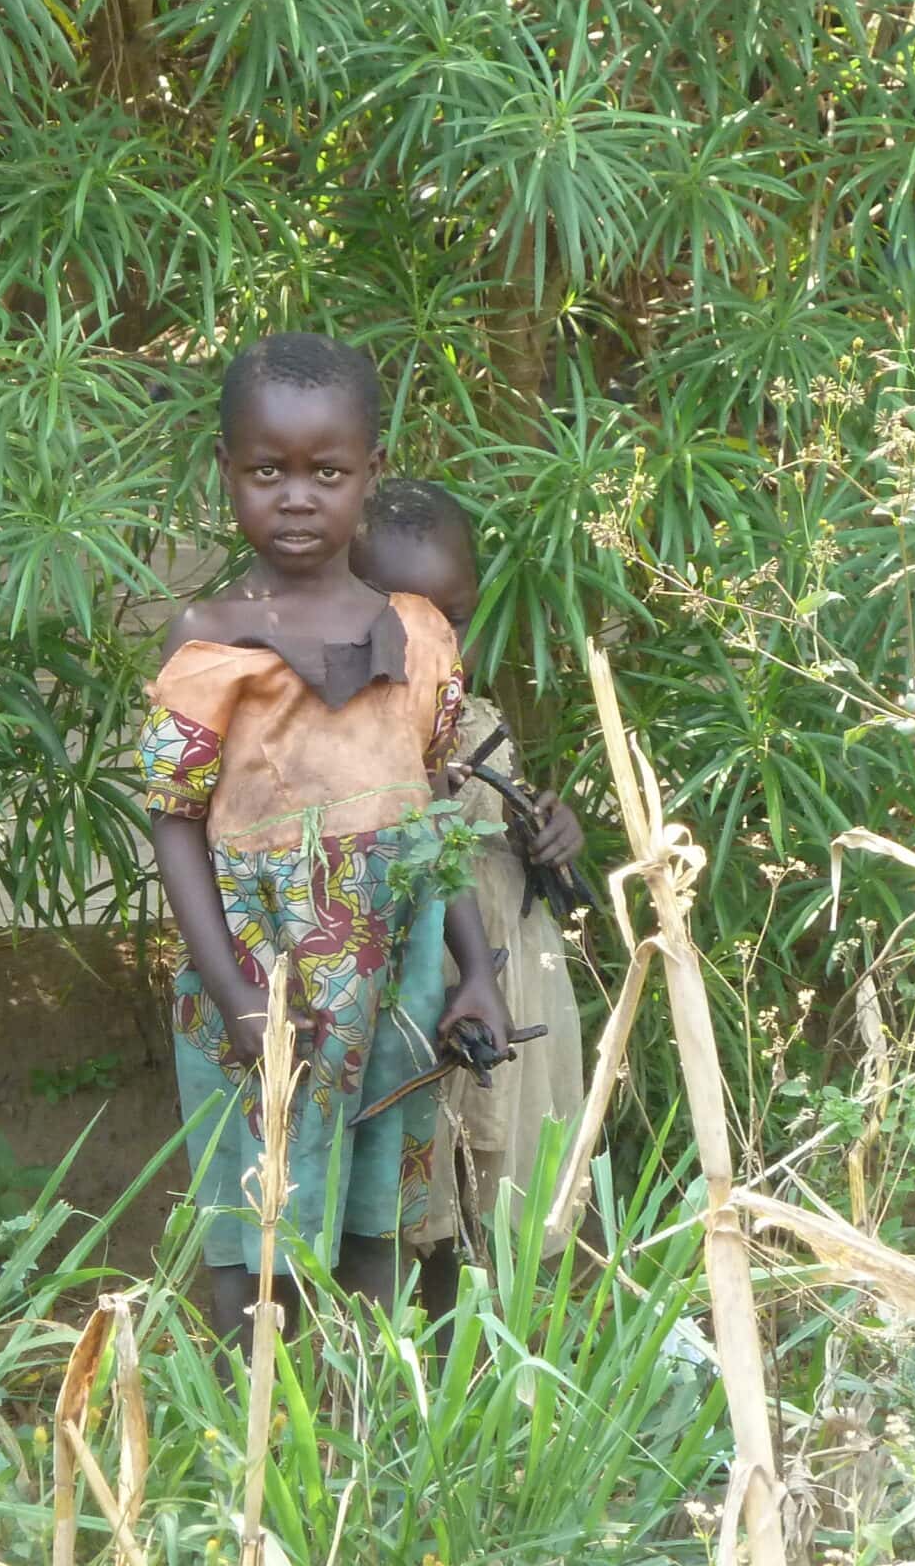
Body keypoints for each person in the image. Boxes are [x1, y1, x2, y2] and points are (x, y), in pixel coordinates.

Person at [139, 333, 516, 1353]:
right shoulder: (212, 646)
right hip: (262, 986)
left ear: (370, 474)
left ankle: (359, 1432)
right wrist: (234, 996)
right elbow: (173, 825)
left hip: (397, 984)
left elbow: (436, 824)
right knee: (252, 1214)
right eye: (267, 472)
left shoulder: (416, 637)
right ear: (225, 473)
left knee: (375, 1213)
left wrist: (474, 975)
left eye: (326, 472)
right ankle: (245, 1429)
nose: (296, 497)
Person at [352, 480, 589, 1315]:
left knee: (516, 1205)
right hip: (420, 1005)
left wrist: (551, 832)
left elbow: (506, 839)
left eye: (448, 615)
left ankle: (517, 1399)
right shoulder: (340, 735)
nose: (426, 640)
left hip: (514, 991)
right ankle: (426, 1395)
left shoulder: (479, 717)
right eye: (397, 612)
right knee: (427, 1216)